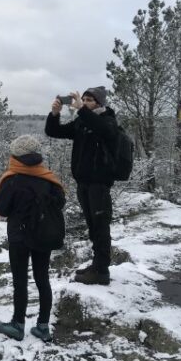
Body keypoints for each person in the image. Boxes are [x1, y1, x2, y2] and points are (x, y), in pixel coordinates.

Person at [0, 135, 65, 342]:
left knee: (20, 280)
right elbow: (60, 202)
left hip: (19, 236)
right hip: (43, 235)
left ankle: (17, 324)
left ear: (16, 155)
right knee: (43, 279)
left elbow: (1, 208)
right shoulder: (49, 178)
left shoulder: (13, 178)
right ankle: (43, 326)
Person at [45, 86, 118, 285]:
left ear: (100, 103)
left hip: (99, 185)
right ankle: (97, 265)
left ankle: (102, 271)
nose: (85, 103)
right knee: (93, 226)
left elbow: (103, 130)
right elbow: (54, 131)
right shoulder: (82, 122)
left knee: (101, 226)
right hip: (83, 183)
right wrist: (54, 114)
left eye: (89, 100)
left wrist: (81, 110)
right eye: (83, 99)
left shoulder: (108, 120)